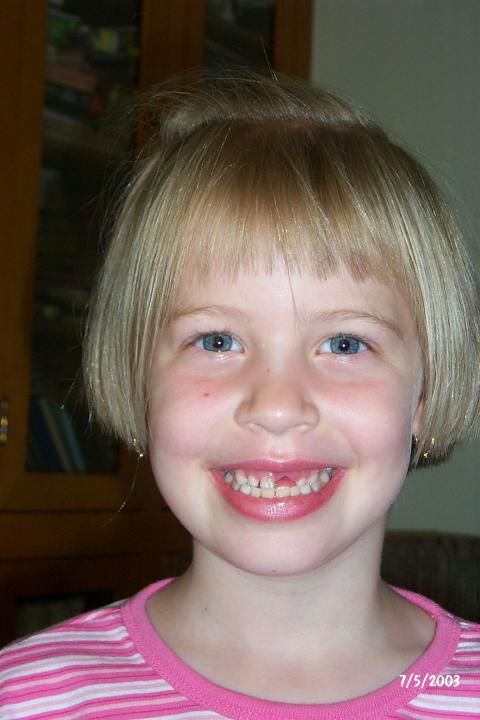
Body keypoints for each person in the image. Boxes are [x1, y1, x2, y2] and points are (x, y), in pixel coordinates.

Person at [1, 70, 479, 719]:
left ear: (423, 395)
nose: (276, 407)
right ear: (141, 382)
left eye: (344, 343)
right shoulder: (25, 698)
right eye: (217, 340)